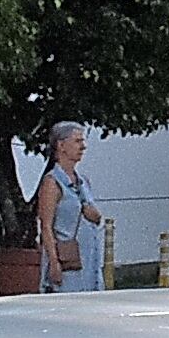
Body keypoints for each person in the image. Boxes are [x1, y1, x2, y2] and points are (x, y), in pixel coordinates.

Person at [32, 123, 105, 291]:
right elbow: (46, 226)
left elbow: (94, 217)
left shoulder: (83, 182)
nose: (83, 147)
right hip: (67, 263)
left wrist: (95, 216)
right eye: (77, 141)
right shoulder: (52, 183)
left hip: (89, 262)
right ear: (61, 145)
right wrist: (54, 262)